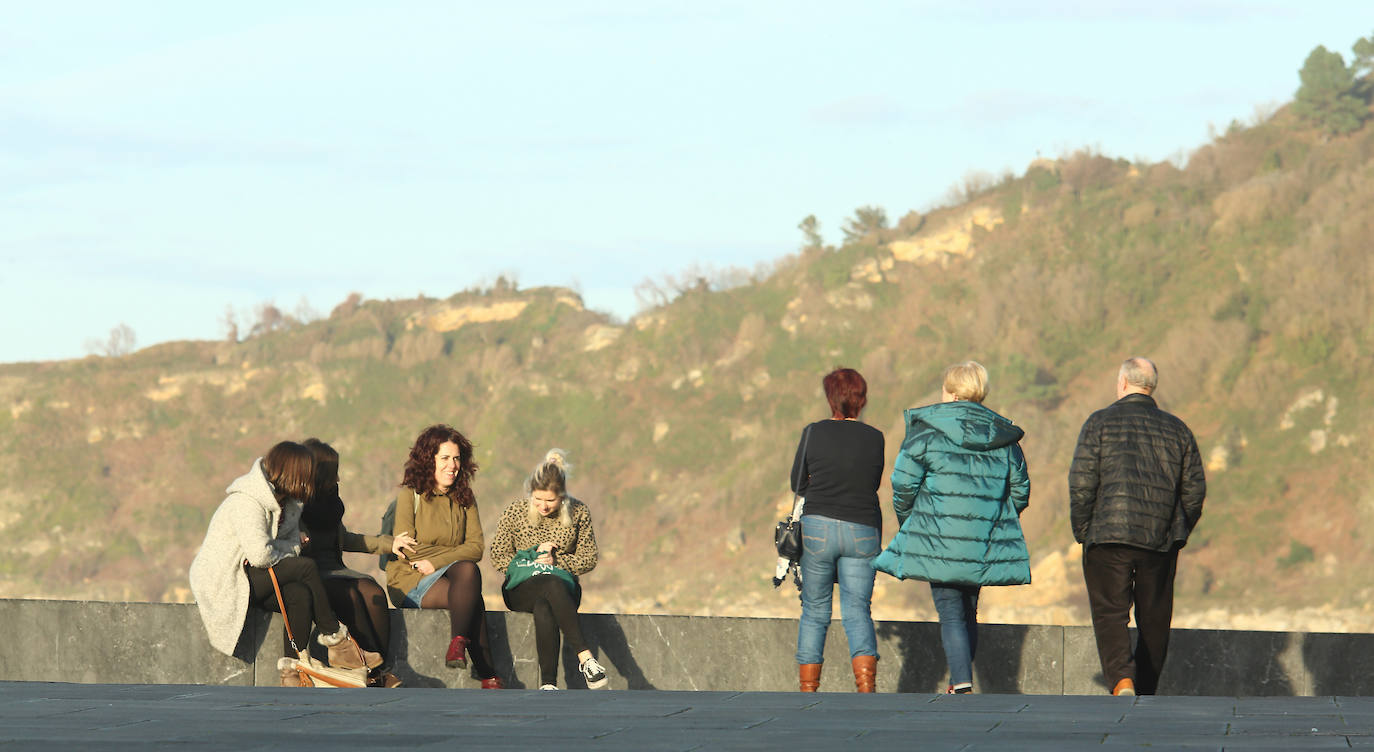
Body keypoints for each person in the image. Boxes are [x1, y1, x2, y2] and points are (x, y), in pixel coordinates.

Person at [872, 361, 1031, 695]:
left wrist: (912, 522)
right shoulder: (1003, 437)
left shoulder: (926, 432)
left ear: (952, 391)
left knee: (949, 610)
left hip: (939, 536)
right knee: (968, 609)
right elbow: (1020, 490)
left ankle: (961, 682)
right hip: (982, 539)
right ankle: (960, 680)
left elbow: (902, 484)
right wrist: (993, 518)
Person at [189, 441, 381, 686]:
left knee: (298, 593)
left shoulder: (290, 504)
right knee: (306, 567)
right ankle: (335, 639)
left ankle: (293, 669)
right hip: (227, 577)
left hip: (256, 571)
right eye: (307, 475)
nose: (311, 481)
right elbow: (261, 554)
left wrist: (285, 547)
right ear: (294, 474)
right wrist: (289, 547)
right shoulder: (247, 501)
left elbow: (280, 548)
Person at [1070, 357, 1206, 697]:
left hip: (1107, 535)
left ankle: (1121, 680)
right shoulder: (1178, 430)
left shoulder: (1098, 423)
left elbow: (1082, 482)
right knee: (1155, 618)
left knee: (1110, 613)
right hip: (1158, 539)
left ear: (1121, 383)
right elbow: (1194, 490)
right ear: (1151, 386)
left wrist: (1085, 529)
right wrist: (1178, 531)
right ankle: (1145, 687)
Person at [384, 424, 502, 688]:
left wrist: (437, 560)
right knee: (471, 593)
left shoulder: (465, 498)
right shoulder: (410, 495)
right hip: (410, 578)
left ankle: (458, 643)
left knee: (469, 571)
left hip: (443, 570)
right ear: (429, 460)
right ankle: (489, 676)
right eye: (445, 458)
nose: (453, 465)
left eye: (457, 458)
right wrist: (448, 556)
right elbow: (408, 549)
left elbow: (477, 547)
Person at [790, 367, 885, 693]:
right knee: (858, 610)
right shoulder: (875, 437)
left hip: (818, 528)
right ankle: (865, 688)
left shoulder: (813, 432)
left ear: (831, 398)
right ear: (861, 399)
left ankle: (808, 691)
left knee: (815, 610)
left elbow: (797, 483)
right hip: (863, 529)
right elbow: (871, 484)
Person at [299, 438, 417, 688]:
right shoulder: (296, 506)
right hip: (311, 575)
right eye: (333, 473)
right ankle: (373, 674)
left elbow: (347, 539)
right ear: (319, 474)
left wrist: (389, 543)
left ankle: (379, 668)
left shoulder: (330, 504)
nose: (338, 479)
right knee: (352, 595)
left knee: (373, 592)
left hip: (337, 571)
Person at [489, 449, 607, 690]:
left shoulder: (579, 512)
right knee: (548, 584)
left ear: (562, 497)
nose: (543, 506)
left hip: (563, 589)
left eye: (550, 501)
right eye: (537, 499)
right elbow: (498, 556)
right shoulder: (515, 512)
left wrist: (557, 562)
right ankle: (585, 658)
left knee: (546, 602)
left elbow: (589, 558)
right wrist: (533, 558)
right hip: (521, 587)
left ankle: (548, 685)